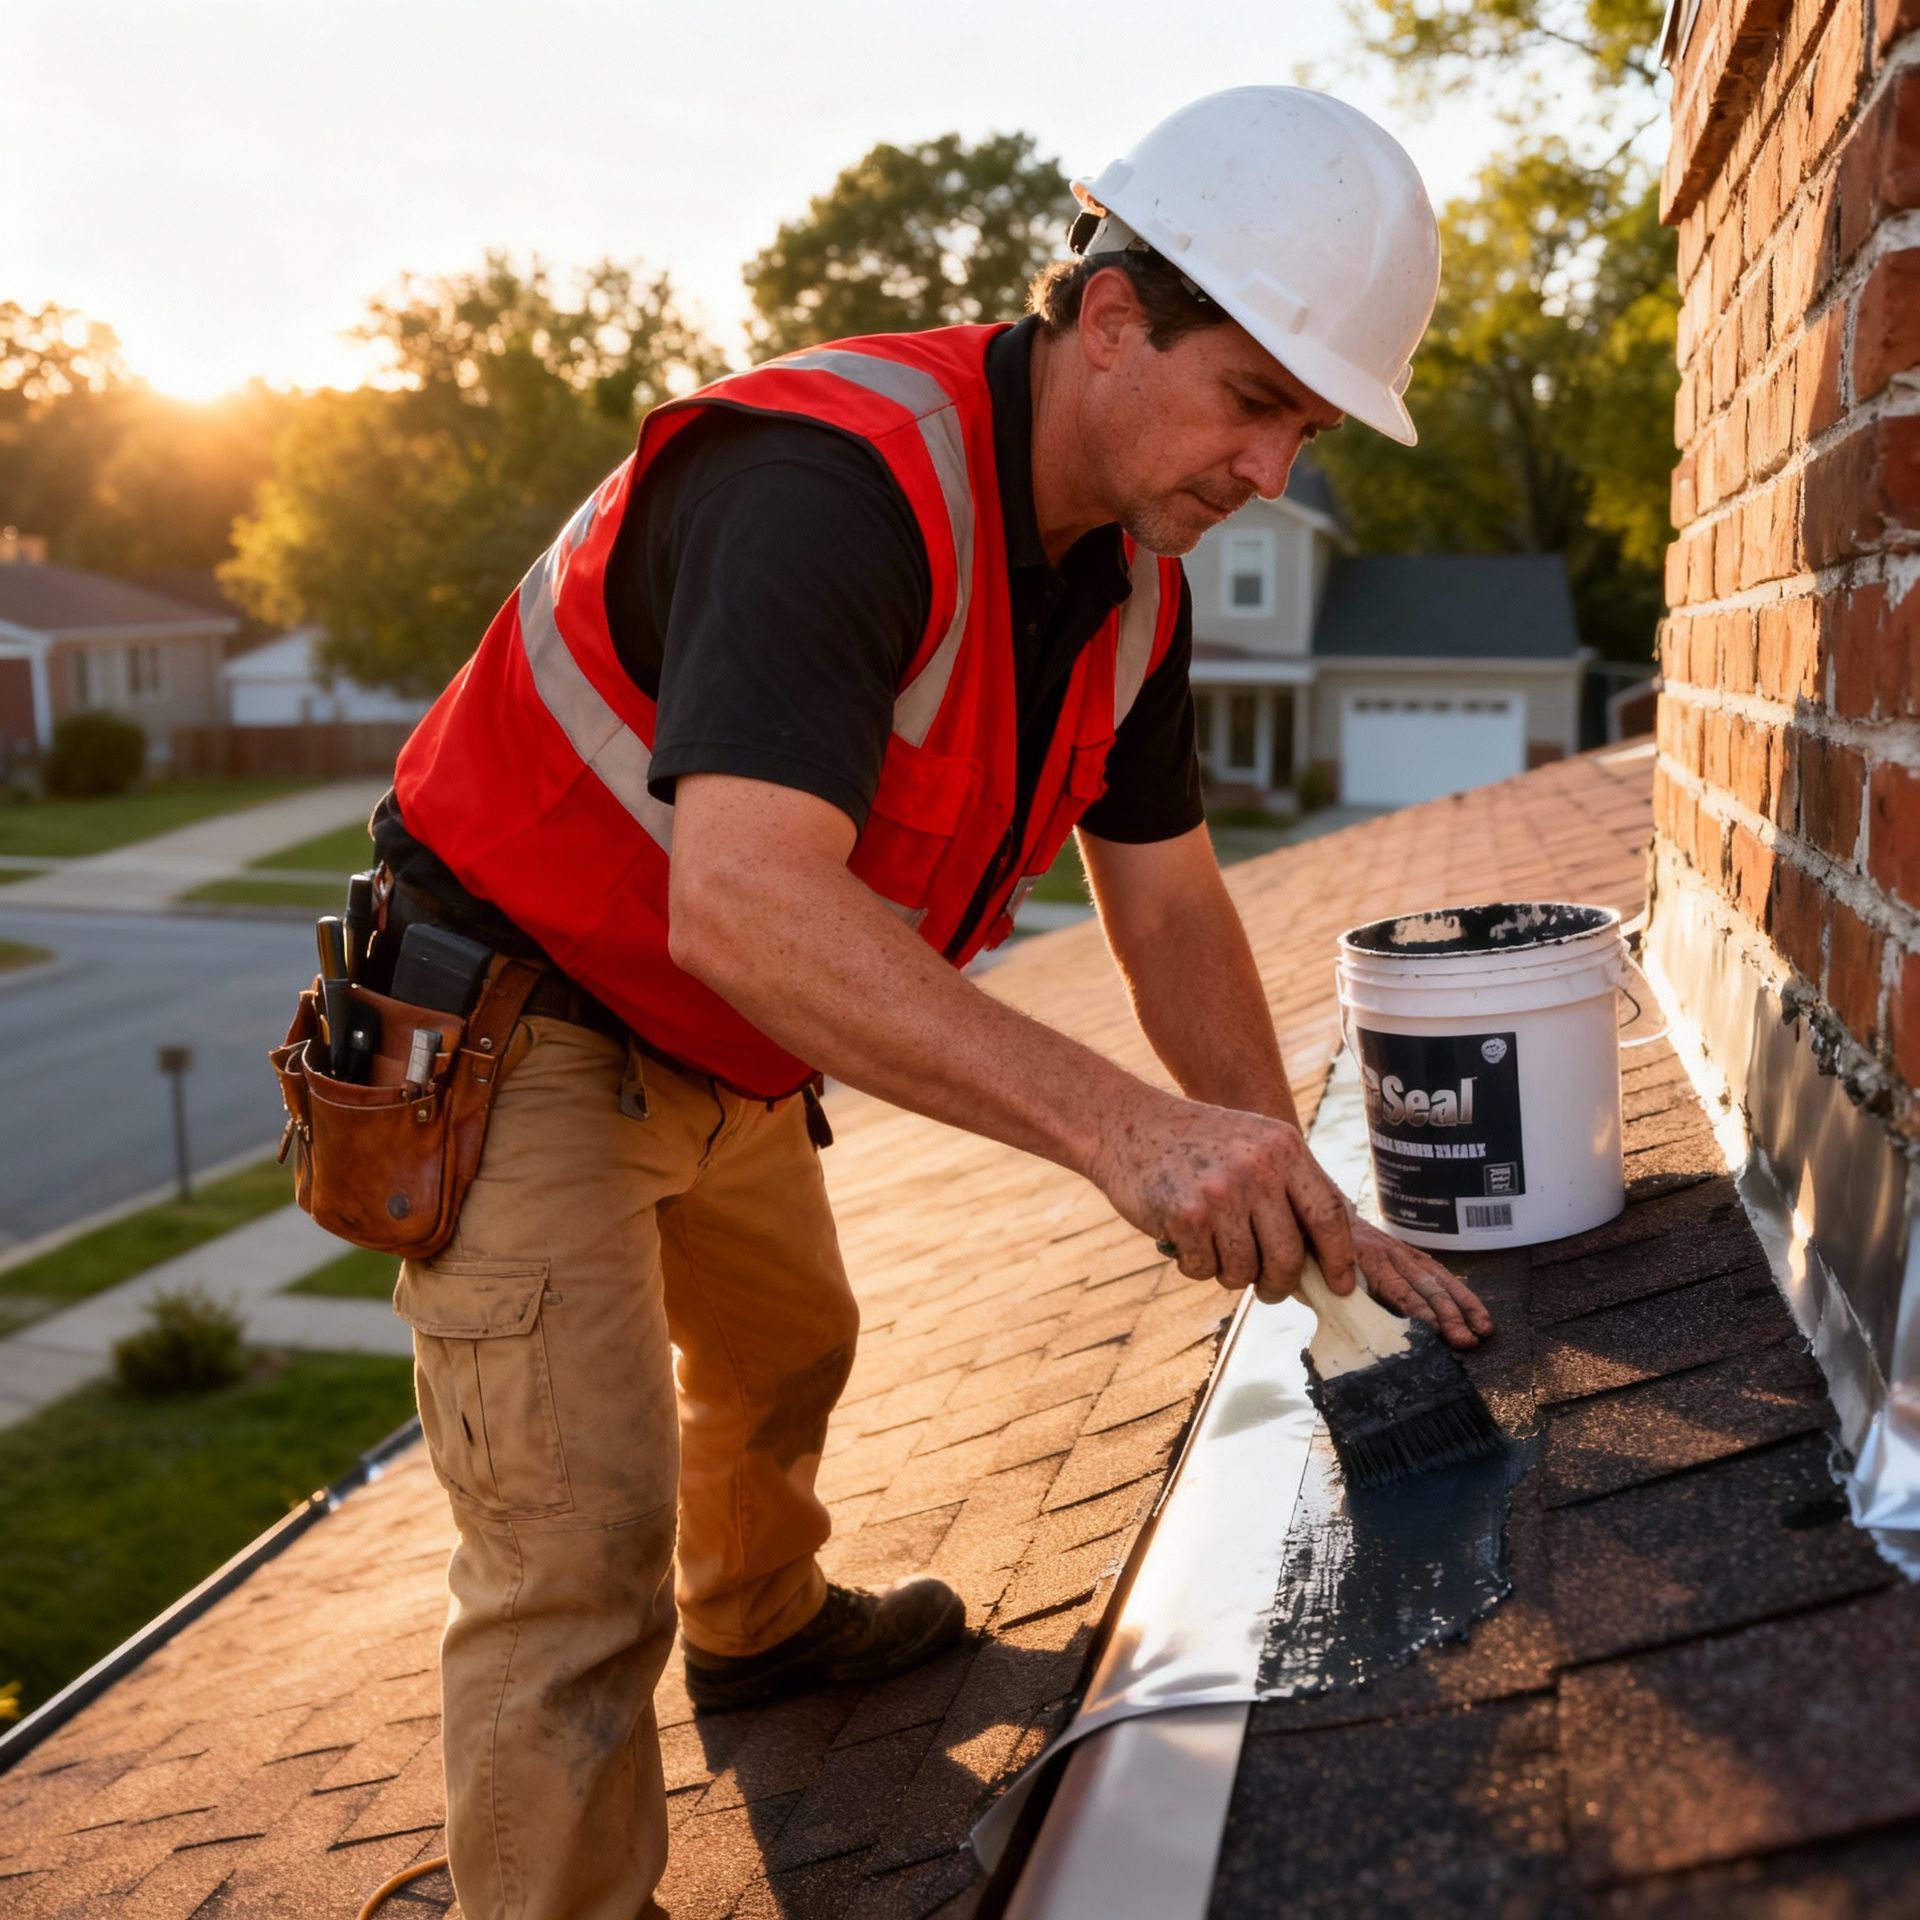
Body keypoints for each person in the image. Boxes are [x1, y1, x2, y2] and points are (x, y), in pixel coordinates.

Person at [369, 85, 1491, 1920]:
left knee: (789, 1351)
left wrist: (1295, 1194)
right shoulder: (827, 488)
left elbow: (1174, 904)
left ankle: (762, 1637)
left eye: (1305, 424)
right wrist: (1128, 1134)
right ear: (1116, 319)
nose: (1273, 471)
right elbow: (740, 900)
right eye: (1259, 403)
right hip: (516, 1025)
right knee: (573, 1561)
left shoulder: (1134, 583)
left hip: (725, 1036)